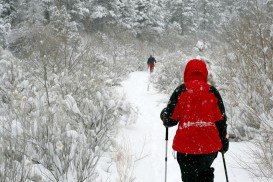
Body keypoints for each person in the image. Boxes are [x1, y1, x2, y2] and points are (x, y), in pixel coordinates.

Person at [160, 59, 229, 182]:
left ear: (186, 73)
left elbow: (170, 120)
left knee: (189, 178)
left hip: (186, 148)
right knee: (205, 172)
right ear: (204, 73)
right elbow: (221, 120)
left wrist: (164, 114)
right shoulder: (212, 92)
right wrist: (224, 141)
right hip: (209, 148)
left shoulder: (180, 91)